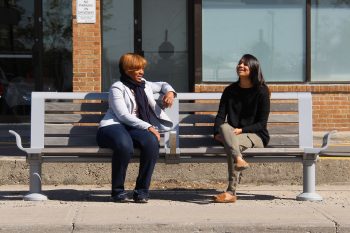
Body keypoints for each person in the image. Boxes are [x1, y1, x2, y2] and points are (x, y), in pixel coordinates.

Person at [96, 53, 176, 203]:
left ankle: (141, 191)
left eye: (142, 68)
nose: (142, 72)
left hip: (134, 128)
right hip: (113, 126)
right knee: (124, 145)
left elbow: (163, 84)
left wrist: (170, 93)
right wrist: (149, 126)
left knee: (152, 143)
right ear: (127, 70)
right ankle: (118, 191)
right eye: (137, 69)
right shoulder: (117, 88)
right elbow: (122, 116)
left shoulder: (144, 84)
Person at [213, 54, 270, 203]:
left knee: (232, 143)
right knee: (225, 128)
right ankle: (239, 159)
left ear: (253, 68)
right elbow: (220, 116)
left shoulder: (262, 91)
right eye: (239, 63)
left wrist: (242, 130)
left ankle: (231, 191)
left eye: (245, 64)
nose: (240, 66)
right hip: (232, 134)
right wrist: (215, 133)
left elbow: (262, 123)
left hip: (256, 135)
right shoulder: (230, 90)